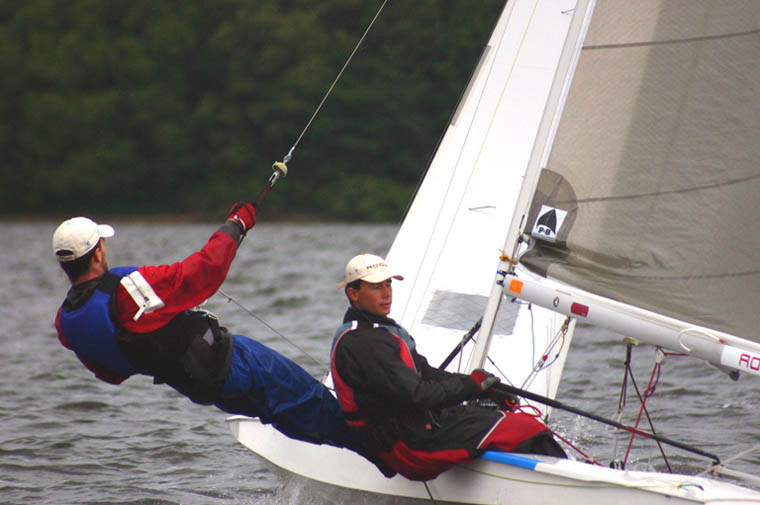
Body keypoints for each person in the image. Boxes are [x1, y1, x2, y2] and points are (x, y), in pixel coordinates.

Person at [53, 205, 351, 449]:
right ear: (98, 253)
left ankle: (353, 448)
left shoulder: (66, 322)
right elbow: (201, 272)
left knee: (287, 415)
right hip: (236, 363)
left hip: (203, 388)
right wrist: (236, 224)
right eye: (102, 244)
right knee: (313, 403)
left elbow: (112, 374)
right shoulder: (125, 291)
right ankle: (373, 445)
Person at [330, 253, 566, 481]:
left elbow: (427, 374)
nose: (387, 293)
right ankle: (566, 485)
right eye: (376, 287)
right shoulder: (364, 342)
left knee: (503, 418)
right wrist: (470, 387)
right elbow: (417, 394)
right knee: (528, 429)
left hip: (415, 428)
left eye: (388, 284)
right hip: (409, 448)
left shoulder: (374, 331)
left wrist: (483, 389)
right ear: (354, 293)